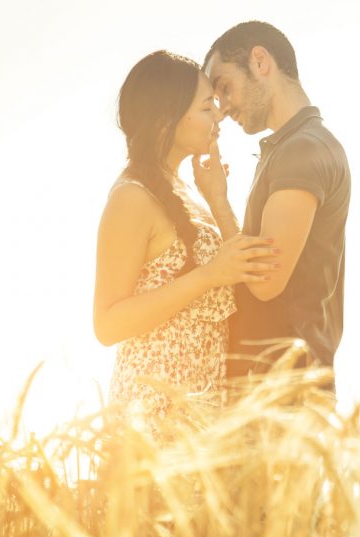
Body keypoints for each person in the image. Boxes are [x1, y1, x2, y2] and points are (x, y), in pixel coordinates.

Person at [93, 50, 279, 420]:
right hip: (151, 418)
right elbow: (107, 324)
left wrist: (218, 198)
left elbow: (242, 268)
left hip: (200, 418)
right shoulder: (132, 197)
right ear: (166, 120)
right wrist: (208, 276)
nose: (219, 116)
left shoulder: (186, 192)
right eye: (207, 106)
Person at [203, 22, 351, 387]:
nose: (221, 109)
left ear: (260, 61)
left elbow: (265, 281)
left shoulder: (303, 150)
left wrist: (219, 203)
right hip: (276, 387)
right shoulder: (293, 147)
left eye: (224, 88)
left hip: (285, 391)